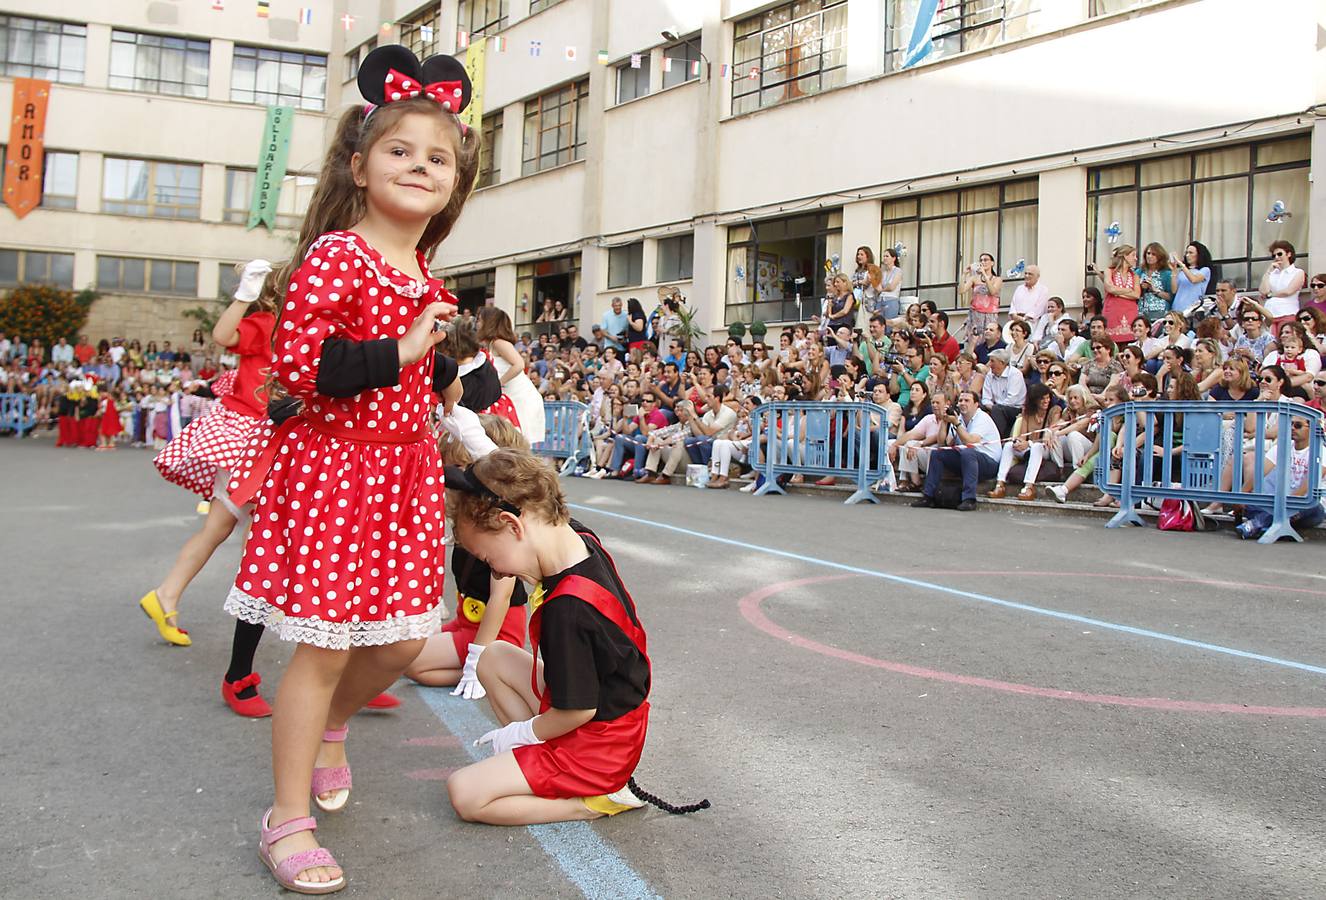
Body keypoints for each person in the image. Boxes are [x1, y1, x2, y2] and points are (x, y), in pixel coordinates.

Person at [224, 46, 476, 894]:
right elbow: (301, 364)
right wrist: (403, 346)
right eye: (401, 151)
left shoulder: (425, 271)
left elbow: (418, 381)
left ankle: (333, 727)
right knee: (324, 649)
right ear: (361, 166)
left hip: (402, 479)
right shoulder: (339, 254)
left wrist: (440, 372)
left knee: (406, 638)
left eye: (437, 157)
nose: (419, 166)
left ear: (453, 184)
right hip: (334, 471)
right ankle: (283, 820)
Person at [445, 450, 696, 824]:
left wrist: (520, 733)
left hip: (599, 744)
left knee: (465, 793)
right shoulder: (576, 537)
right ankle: (543, 760)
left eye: (486, 556)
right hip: (609, 721)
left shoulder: (569, 611)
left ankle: (594, 800)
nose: (492, 569)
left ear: (513, 526)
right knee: (494, 657)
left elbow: (578, 710)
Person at [406, 416, 530, 693]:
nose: (456, 476)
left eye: (464, 467)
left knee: (411, 663)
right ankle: (492, 669)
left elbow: (502, 595)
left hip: (494, 631)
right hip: (467, 621)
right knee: (403, 647)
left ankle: (494, 669)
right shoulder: (470, 515)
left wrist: (478, 656)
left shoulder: (498, 523)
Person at [1235, 415, 1325, 540]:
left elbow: (1307, 486)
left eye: (1298, 425)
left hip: (1306, 507)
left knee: (1310, 505)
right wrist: (1243, 494)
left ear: (1312, 429)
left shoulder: (1321, 452)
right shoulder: (1281, 448)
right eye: (1291, 424)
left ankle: (1257, 524)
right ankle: (1268, 527)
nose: (1293, 428)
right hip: (1280, 503)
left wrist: (1287, 506)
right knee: (1251, 504)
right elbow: (1260, 473)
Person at [910, 389, 1001, 511]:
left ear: (976, 404)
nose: (962, 403)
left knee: (968, 451)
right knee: (938, 453)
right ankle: (929, 496)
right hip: (967, 459)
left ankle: (969, 499)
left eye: (967, 400)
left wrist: (956, 423)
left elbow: (970, 441)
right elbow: (943, 443)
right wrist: (944, 421)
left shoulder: (982, 418)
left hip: (988, 463)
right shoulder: (959, 418)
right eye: (961, 400)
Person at [477, 307, 546, 444]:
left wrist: (498, 383)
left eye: (479, 320)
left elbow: (519, 364)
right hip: (509, 397)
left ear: (489, 322)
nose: (477, 324)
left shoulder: (498, 342)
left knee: (517, 441)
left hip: (520, 398)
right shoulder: (490, 345)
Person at [989, 383, 1062, 501]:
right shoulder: (1028, 412)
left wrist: (1028, 443)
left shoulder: (1054, 410)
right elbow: (1023, 436)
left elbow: (1051, 431)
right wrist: (1018, 442)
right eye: (1042, 398)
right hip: (1029, 448)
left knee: (1037, 446)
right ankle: (1000, 484)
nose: (1046, 401)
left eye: (1048, 397)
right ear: (1034, 400)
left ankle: (1029, 487)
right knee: (1008, 445)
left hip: (1047, 448)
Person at [1096, 244, 1141, 343]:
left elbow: (1137, 294)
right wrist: (1129, 291)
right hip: (1113, 310)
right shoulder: (1110, 271)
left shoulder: (1135, 276)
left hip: (1130, 311)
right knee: (1111, 342)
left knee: (1130, 341)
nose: (1136, 258)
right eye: (1133, 255)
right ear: (1125, 256)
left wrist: (1117, 292)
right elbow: (1109, 288)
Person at [959, 252, 1001, 351]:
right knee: (973, 338)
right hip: (976, 314)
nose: (983, 262)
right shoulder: (974, 279)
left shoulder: (997, 279)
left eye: (986, 260)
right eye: (981, 260)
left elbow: (992, 291)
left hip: (990, 315)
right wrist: (964, 275)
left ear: (992, 263)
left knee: (988, 339)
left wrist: (984, 275)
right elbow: (961, 290)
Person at [1259, 240, 1306, 329]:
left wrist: (1270, 295)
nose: (1277, 257)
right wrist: (1268, 272)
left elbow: (1288, 291)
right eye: (1274, 255)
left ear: (1289, 254)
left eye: (1280, 254)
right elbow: (1263, 291)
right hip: (1269, 313)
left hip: (1287, 312)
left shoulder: (1298, 272)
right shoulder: (1272, 273)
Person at [980, 349, 1026, 439]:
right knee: (975, 405)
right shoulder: (990, 375)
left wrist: (994, 408)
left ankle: (995, 439)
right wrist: (990, 406)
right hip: (995, 406)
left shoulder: (1015, 374)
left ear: (1002, 363)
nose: (989, 364)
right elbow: (986, 398)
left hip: (1015, 409)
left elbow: (1011, 401)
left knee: (998, 410)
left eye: (992, 361)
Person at [1171, 241, 1213, 315]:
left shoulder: (1205, 270)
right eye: (1186, 253)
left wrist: (1180, 264)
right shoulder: (1182, 272)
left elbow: (1194, 279)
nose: (1187, 255)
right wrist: (1174, 271)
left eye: (1191, 253)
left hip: (1193, 309)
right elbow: (1174, 290)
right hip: (1177, 307)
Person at [1007, 264, 1049, 339]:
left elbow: (1039, 308)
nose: (1026, 276)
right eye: (1025, 273)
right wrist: (1014, 315)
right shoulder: (1019, 288)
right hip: (1016, 322)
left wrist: (1024, 318)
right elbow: (1013, 304)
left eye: (1030, 274)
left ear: (1037, 276)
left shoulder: (1043, 290)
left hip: (1033, 324)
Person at [1135, 242, 1174, 323]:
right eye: (1148, 253)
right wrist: (1141, 288)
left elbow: (1171, 297)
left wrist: (1154, 289)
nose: (1150, 256)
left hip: (1160, 313)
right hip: (1142, 313)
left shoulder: (1166, 274)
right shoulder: (1139, 272)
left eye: (1154, 254)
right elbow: (1134, 293)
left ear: (1160, 257)